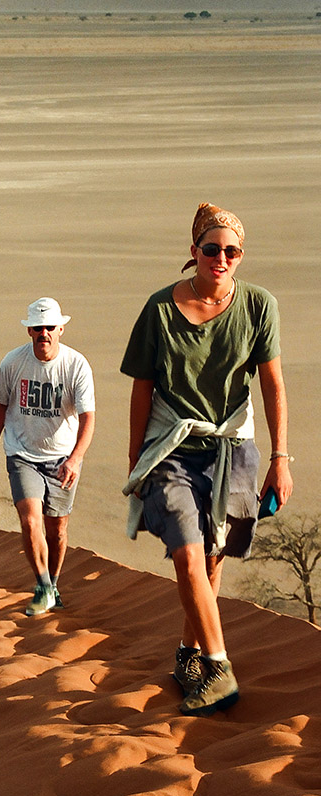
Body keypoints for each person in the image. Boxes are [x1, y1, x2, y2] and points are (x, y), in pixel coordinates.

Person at [120, 202, 293, 717]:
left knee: (213, 557)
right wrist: (137, 460)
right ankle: (219, 668)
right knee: (187, 551)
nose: (221, 258)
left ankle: (189, 653)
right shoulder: (158, 309)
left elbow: (272, 384)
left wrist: (281, 457)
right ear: (193, 251)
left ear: (242, 256)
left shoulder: (260, 305)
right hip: (172, 446)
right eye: (211, 249)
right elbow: (141, 388)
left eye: (232, 251)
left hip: (231, 444)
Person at [0, 297, 95, 616]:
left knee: (57, 530)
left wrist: (75, 459)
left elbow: (88, 418)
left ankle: (54, 582)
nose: (44, 333)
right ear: (29, 330)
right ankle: (42, 586)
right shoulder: (13, 363)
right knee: (30, 519)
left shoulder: (76, 365)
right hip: (22, 452)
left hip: (62, 458)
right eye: (38, 327)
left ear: (60, 328)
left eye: (50, 327)